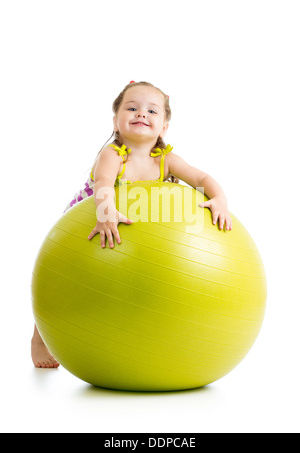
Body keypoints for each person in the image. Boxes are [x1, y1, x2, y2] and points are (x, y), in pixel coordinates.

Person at [31, 80, 232, 368]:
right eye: (132, 108)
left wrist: (219, 199)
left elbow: (201, 180)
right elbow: (103, 183)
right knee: (63, 277)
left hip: (136, 230)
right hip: (93, 215)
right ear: (116, 121)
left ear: (163, 128)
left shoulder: (165, 159)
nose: (141, 114)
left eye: (152, 111)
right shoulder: (113, 155)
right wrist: (105, 211)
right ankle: (40, 337)